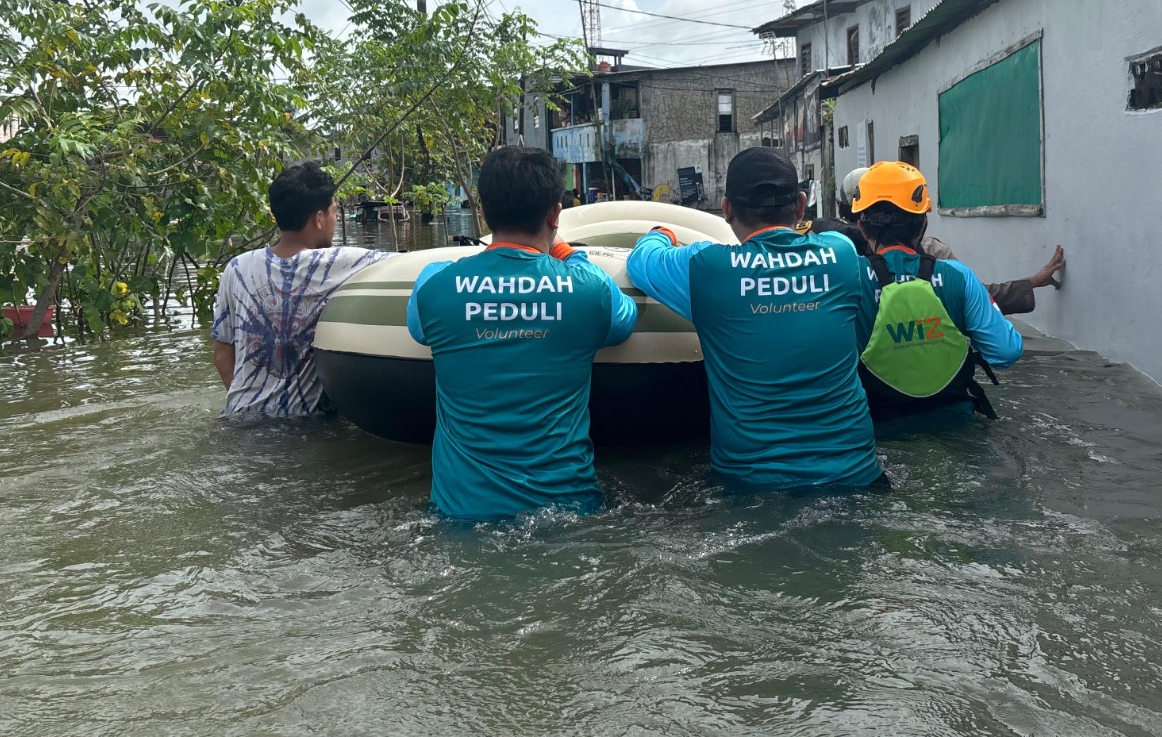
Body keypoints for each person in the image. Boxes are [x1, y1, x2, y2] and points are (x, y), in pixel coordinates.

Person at [626, 146, 883, 491]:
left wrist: (661, 232)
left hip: (752, 488)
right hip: (858, 477)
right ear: (802, 204)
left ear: (727, 209)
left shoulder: (708, 268)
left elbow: (642, 261)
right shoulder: (841, 255)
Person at [407, 146, 638, 521]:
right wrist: (568, 254)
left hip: (460, 516)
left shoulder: (435, 287)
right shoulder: (588, 290)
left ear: (482, 212)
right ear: (555, 213)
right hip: (570, 515)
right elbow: (623, 322)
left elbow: (419, 330)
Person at [847, 161, 1024, 420]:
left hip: (879, 428)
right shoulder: (959, 276)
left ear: (862, 227)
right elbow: (1006, 352)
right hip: (956, 425)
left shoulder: (848, 279)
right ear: (923, 225)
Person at [213, 161, 388, 417]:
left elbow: (221, 357)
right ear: (319, 218)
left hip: (238, 418)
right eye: (334, 213)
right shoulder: (338, 262)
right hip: (301, 427)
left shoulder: (237, 267)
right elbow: (410, 264)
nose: (335, 220)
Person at [805, 167, 1066, 315]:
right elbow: (979, 300)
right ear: (921, 220)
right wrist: (1031, 282)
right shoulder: (935, 254)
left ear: (855, 219)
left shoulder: (831, 257)